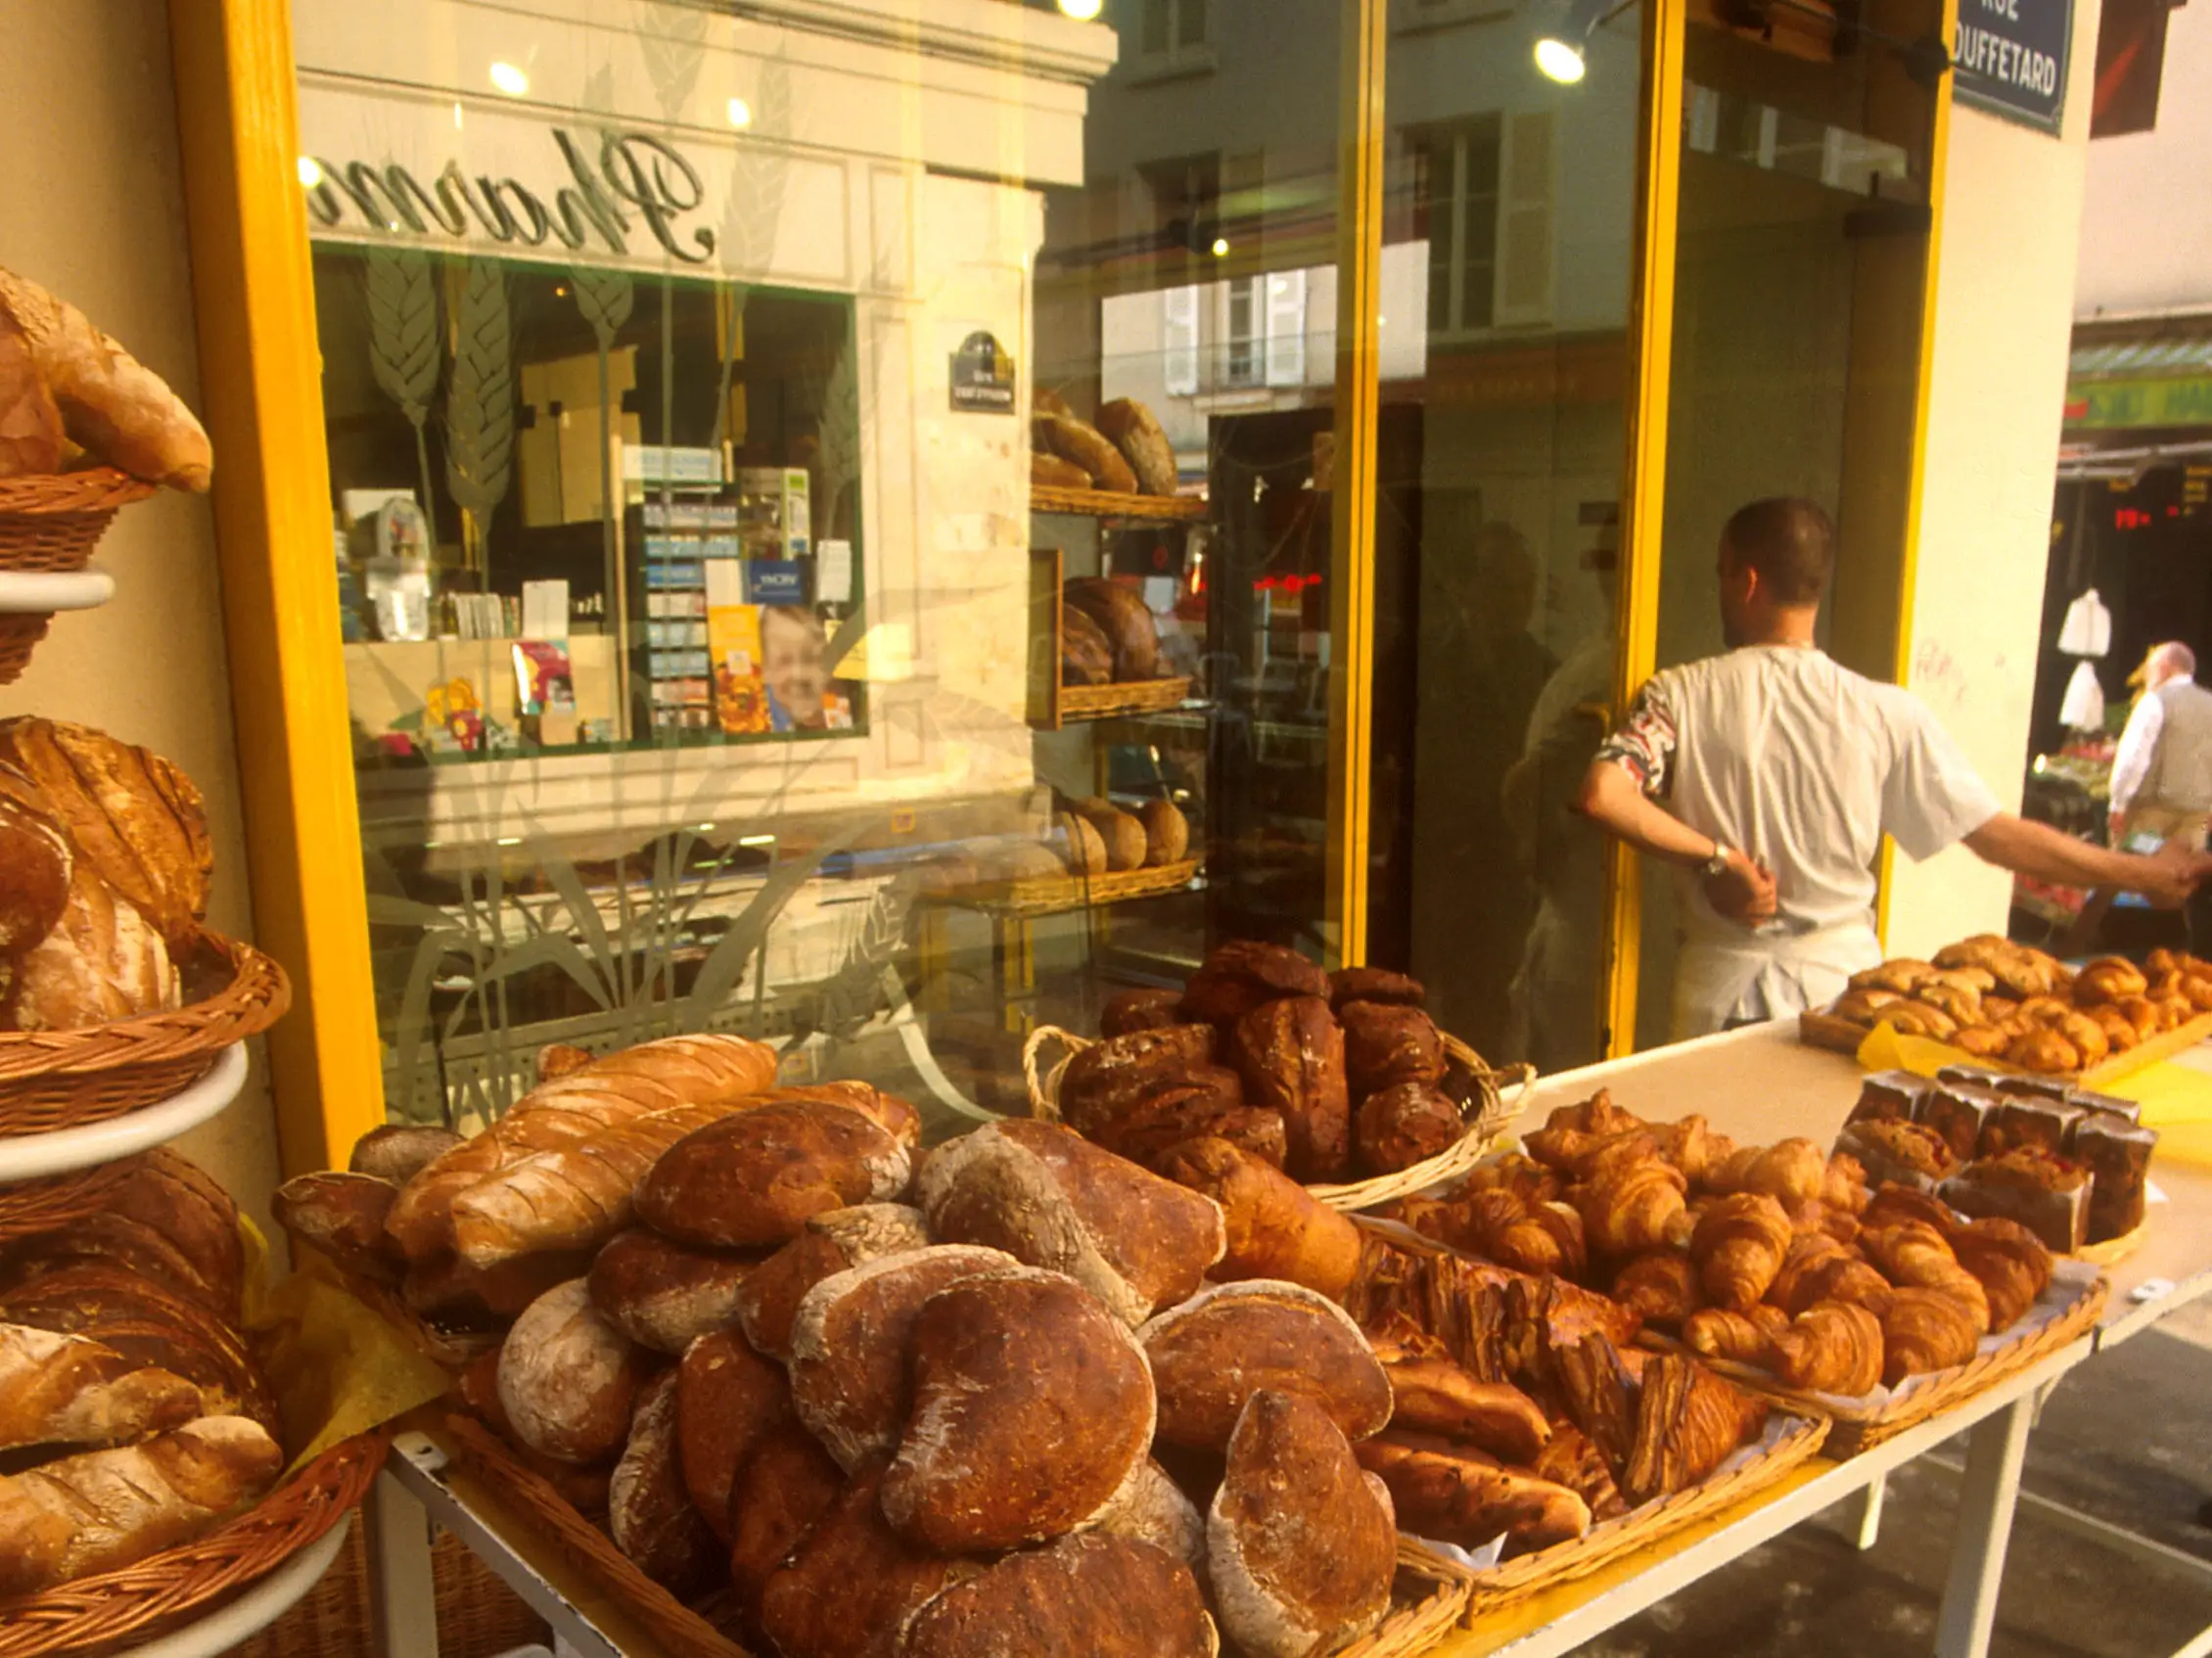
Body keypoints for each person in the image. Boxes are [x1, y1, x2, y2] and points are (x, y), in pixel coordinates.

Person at [1574, 497, 2207, 1039]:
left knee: (1716, 1175)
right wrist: (2143, 872)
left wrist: (1720, 859)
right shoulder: (1883, 712)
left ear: (1744, 580)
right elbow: (1997, 838)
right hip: (1843, 995)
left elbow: (1605, 792)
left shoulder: (1679, 696)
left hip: (1717, 996)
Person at [2107, 640, 2212, 952]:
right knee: (2184, 878)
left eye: (2152, 668)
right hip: (2198, 814)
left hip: (2153, 809)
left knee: (2123, 864)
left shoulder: (2156, 701)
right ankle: (2179, 948)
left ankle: (2117, 939)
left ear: (2165, 667)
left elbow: (2133, 757)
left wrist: (2118, 802)